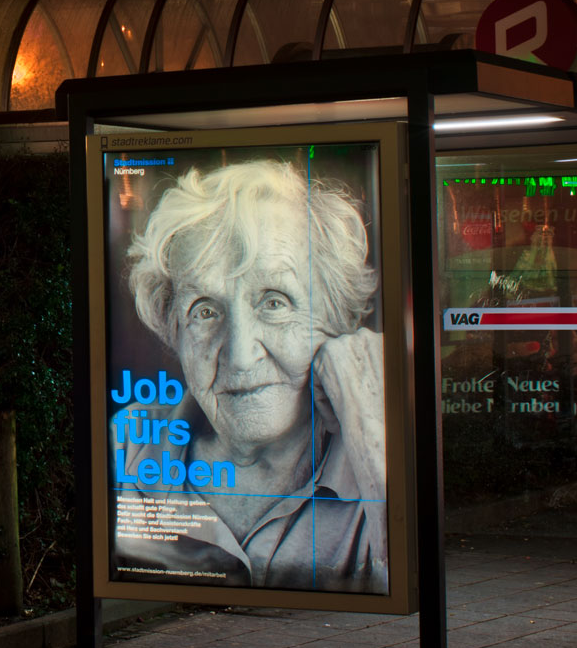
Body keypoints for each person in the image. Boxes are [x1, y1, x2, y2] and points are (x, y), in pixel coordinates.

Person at [121, 157, 386, 594]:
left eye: (274, 302)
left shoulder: (379, 452)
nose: (242, 357)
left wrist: (375, 444)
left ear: (336, 318)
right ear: (175, 333)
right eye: (205, 311)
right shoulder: (131, 443)